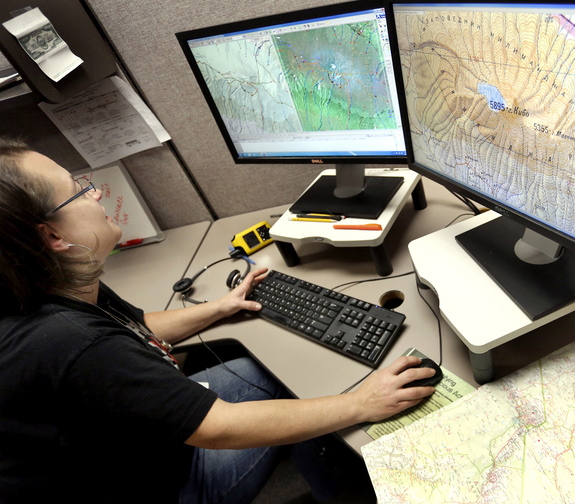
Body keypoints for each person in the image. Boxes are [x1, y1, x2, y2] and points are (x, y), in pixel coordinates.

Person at [0, 137, 438, 504]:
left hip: (128, 440)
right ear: (53, 236)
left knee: (266, 372)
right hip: (164, 483)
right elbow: (218, 428)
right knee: (316, 404)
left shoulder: (44, 281)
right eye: (78, 189)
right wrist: (361, 402)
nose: (96, 193)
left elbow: (134, 329)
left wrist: (221, 307)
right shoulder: (72, 343)